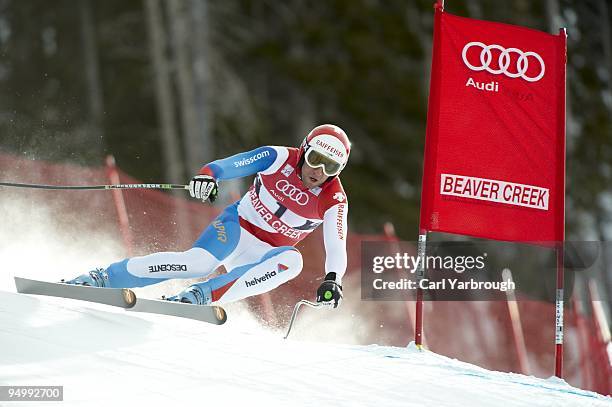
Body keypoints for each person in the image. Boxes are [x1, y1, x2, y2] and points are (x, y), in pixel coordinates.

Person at [65, 124, 350, 308]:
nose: (319, 172)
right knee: (198, 263)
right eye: (315, 160)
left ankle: (200, 297)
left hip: (265, 256)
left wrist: (333, 279)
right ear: (303, 151)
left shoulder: (334, 198)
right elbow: (232, 164)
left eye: (331, 167)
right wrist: (209, 175)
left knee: (293, 261)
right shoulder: (278, 157)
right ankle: (103, 278)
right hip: (237, 227)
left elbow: (336, 245)